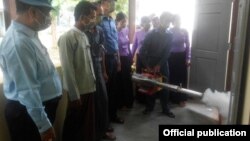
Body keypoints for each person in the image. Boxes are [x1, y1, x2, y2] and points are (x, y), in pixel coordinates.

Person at [0, 0, 62, 141]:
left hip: (37, 110)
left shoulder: (29, 35)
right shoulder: (19, 43)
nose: (49, 18)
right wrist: (44, 126)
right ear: (32, 12)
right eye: (46, 13)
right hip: (28, 115)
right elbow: (28, 90)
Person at [57, 1, 97, 141]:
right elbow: (68, 69)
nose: (93, 20)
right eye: (91, 17)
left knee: (86, 127)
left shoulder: (84, 35)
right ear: (81, 17)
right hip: (78, 92)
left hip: (89, 88)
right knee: (73, 127)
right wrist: (74, 95)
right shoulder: (68, 37)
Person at [86, 2, 116, 141]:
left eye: (98, 15)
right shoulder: (82, 32)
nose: (97, 17)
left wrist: (104, 71)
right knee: (91, 103)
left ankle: (103, 130)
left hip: (97, 68)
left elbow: (102, 52)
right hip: (86, 70)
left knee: (103, 99)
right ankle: (95, 131)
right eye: (95, 15)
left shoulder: (100, 30)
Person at [139, 12, 175, 118]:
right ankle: (149, 107)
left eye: (169, 22)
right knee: (150, 85)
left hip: (163, 63)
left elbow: (167, 52)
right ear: (161, 19)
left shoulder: (170, 34)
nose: (168, 24)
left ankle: (165, 109)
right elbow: (142, 51)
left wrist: (160, 64)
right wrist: (147, 65)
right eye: (166, 21)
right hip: (150, 62)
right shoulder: (151, 34)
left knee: (165, 86)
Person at [100, 0, 124, 124]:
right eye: (111, 1)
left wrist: (119, 60)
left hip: (114, 58)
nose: (113, 4)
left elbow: (116, 42)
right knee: (106, 91)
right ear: (104, 3)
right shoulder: (99, 21)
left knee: (114, 89)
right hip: (105, 60)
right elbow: (101, 47)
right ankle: (106, 121)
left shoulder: (112, 21)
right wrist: (103, 69)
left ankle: (113, 115)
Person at [168, 15, 191, 107]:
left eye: (179, 20)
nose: (178, 22)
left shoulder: (184, 31)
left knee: (182, 79)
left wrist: (188, 58)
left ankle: (182, 98)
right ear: (173, 22)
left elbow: (188, 45)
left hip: (181, 57)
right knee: (172, 78)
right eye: (176, 20)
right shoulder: (169, 31)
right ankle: (173, 98)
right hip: (171, 57)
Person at [115, 12, 134, 110]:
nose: (125, 23)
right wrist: (118, 62)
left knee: (127, 80)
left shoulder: (126, 30)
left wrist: (131, 57)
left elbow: (128, 44)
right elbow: (116, 49)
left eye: (126, 21)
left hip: (127, 58)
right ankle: (122, 103)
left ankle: (129, 102)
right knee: (121, 81)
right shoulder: (115, 32)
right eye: (123, 21)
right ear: (118, 21)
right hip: (120, 59)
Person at [131, 16, 151, 104]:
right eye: (146, 22)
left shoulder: (152, 33)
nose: (148, 24)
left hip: (149, 58)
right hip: (139, 57)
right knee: (139, 77)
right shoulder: (137, 33)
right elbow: (134, 46)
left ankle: (148, 97)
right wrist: (131, 58)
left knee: (148, 77)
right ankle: (140, 97)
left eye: (149, 22)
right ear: (142, 23)